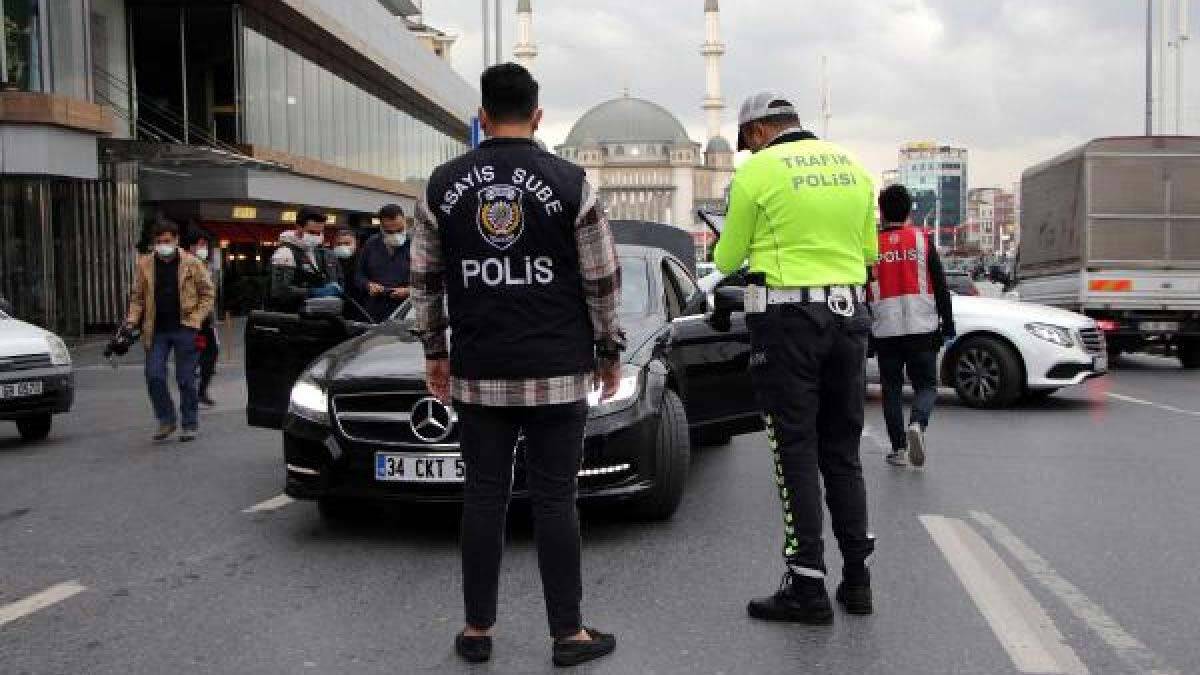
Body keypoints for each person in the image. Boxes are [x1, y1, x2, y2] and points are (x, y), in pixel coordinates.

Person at [411, 62, 622, 668]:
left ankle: (477, 629)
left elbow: (424, 282)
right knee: (556, 500)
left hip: (479, 370)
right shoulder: (570, 183)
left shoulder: (441, 186)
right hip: (557, 368)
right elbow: (602, 280)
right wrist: (607, 350)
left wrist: (436, 353)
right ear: (537, 115)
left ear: (481, 118)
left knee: (483, 497)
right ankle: (568, 634)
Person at [713, 91, 878, 623]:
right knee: (843, 450)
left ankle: (806, 582)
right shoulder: (853, 168)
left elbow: (727, 256)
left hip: (788, 326)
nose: (747, 152)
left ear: (759, 132)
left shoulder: (759, 172)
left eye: (747, 143)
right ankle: (857, 579)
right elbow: (868, 254)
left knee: (795, 451)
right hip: (849, 317)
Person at [869, 185, 955, 468]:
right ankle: (918, 423)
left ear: (881, 211)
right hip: (922, 324)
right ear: (908, 210)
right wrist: (948, 323)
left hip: (886, 328)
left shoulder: (871, 245)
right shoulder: (922, 240)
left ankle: (898, 449)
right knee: (927, 386)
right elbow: (941, 286)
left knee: (891, 389)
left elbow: (860, 289)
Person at [124, 218, 215, 442]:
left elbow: (207, 294)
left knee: (185, 378)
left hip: (186, 328)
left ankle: (190, 423)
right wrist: (131, 321)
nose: (162, 245)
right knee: (154, 375)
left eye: (167, 241)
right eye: (158, 241)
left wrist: (196, 319)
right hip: (155, 329)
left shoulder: (192, 263)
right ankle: (166, 419)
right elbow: (137, 298)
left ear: (176, 240)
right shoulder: (144, 264)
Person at [267, 207, 342, 312]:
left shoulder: (318, 250)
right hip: (292, 316)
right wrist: (315, 292)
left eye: (319, 233)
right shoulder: (285, 253)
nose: (316, 237)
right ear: (298, 227)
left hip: (316, 313)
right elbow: (280, 292)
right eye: (312, 232)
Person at [357, 204, 412, 321]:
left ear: (405, 222)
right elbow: (359, 275)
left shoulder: (417, 245)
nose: (396, 234)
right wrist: (368, 285)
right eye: (389, 231)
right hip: (374, 311)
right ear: (381, 227)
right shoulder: (371, 244)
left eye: (399, 230)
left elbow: (432, 280)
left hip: (407, 311)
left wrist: (409, 291)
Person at [185, 228, 221, 407]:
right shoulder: (185, 266)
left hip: (206, 319)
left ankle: (201, 390)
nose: (203, 248)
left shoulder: (206, 265)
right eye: (200, 245)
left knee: (211, 353)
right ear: (190, 246)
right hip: (191, 318)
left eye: (205, 245)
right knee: (193, 355)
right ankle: (192, 392)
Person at [332, 228, 369, 322]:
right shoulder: (329, 260)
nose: (342, 246)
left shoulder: (365, 261)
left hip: (360, 309)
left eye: (347, 243)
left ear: (356, 243)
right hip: (336, 310)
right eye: (339, 244)